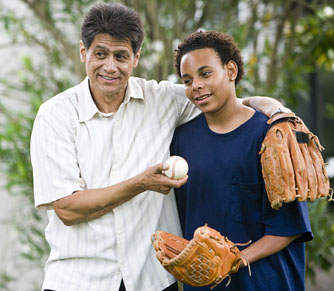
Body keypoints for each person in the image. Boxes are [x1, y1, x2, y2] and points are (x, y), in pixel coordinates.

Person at [30, 3, 287, 291]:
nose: (110, 66)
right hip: (79, 280)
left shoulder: (163, 100)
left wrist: (278, 114)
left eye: (121, 56)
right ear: (83, 52)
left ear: (136, 58)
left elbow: (226, 99)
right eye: (100, 54)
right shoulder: (55, 116)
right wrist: (142, 183)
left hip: (151, 280)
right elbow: (68, 208)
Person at [171, 30, 312, 291]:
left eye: (205, 74)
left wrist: (235, 260)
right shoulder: (181, 140)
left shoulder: (271, 136)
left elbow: (288, 227)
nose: (196, 86)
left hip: (267, 283)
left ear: (231, 70)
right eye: (187, 80)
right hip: (205, 286)